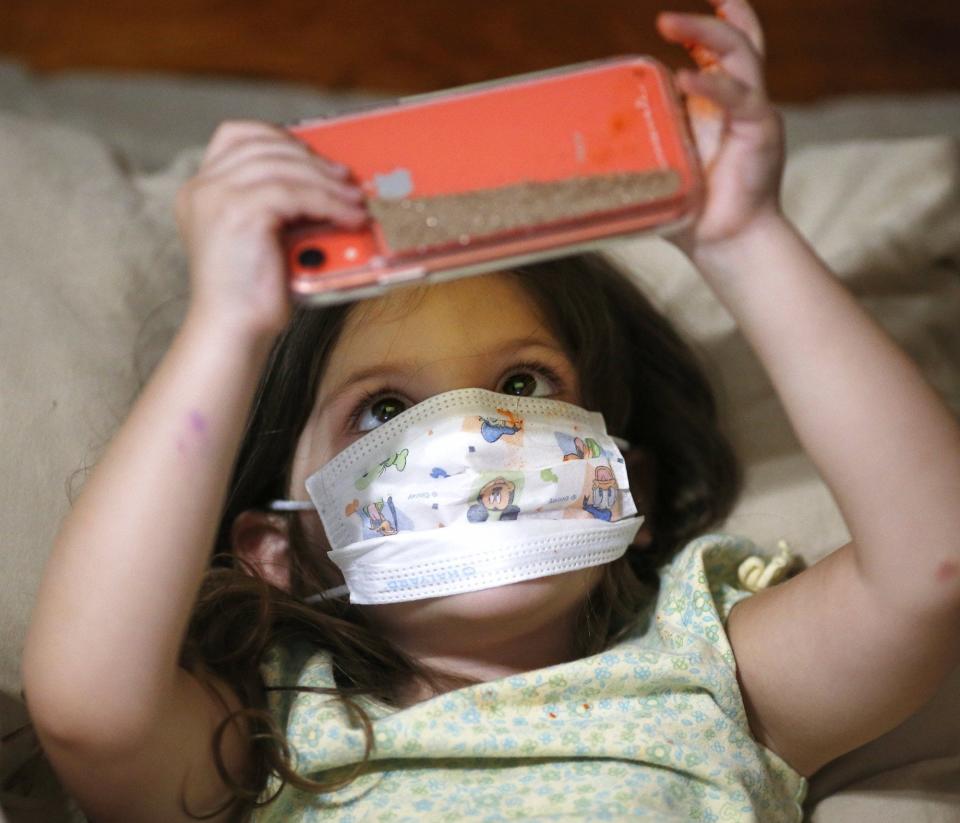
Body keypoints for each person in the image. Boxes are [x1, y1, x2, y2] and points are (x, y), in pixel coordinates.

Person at [21, 0, 960, 820]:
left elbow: (931, 562)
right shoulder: (264, 736)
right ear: (283, 546)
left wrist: (745, 237)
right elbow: (87, 707)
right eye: (383, 407)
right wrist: (227, 327)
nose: (476, 436)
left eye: (523, 385)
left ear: (622, 478)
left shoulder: (708, 670)